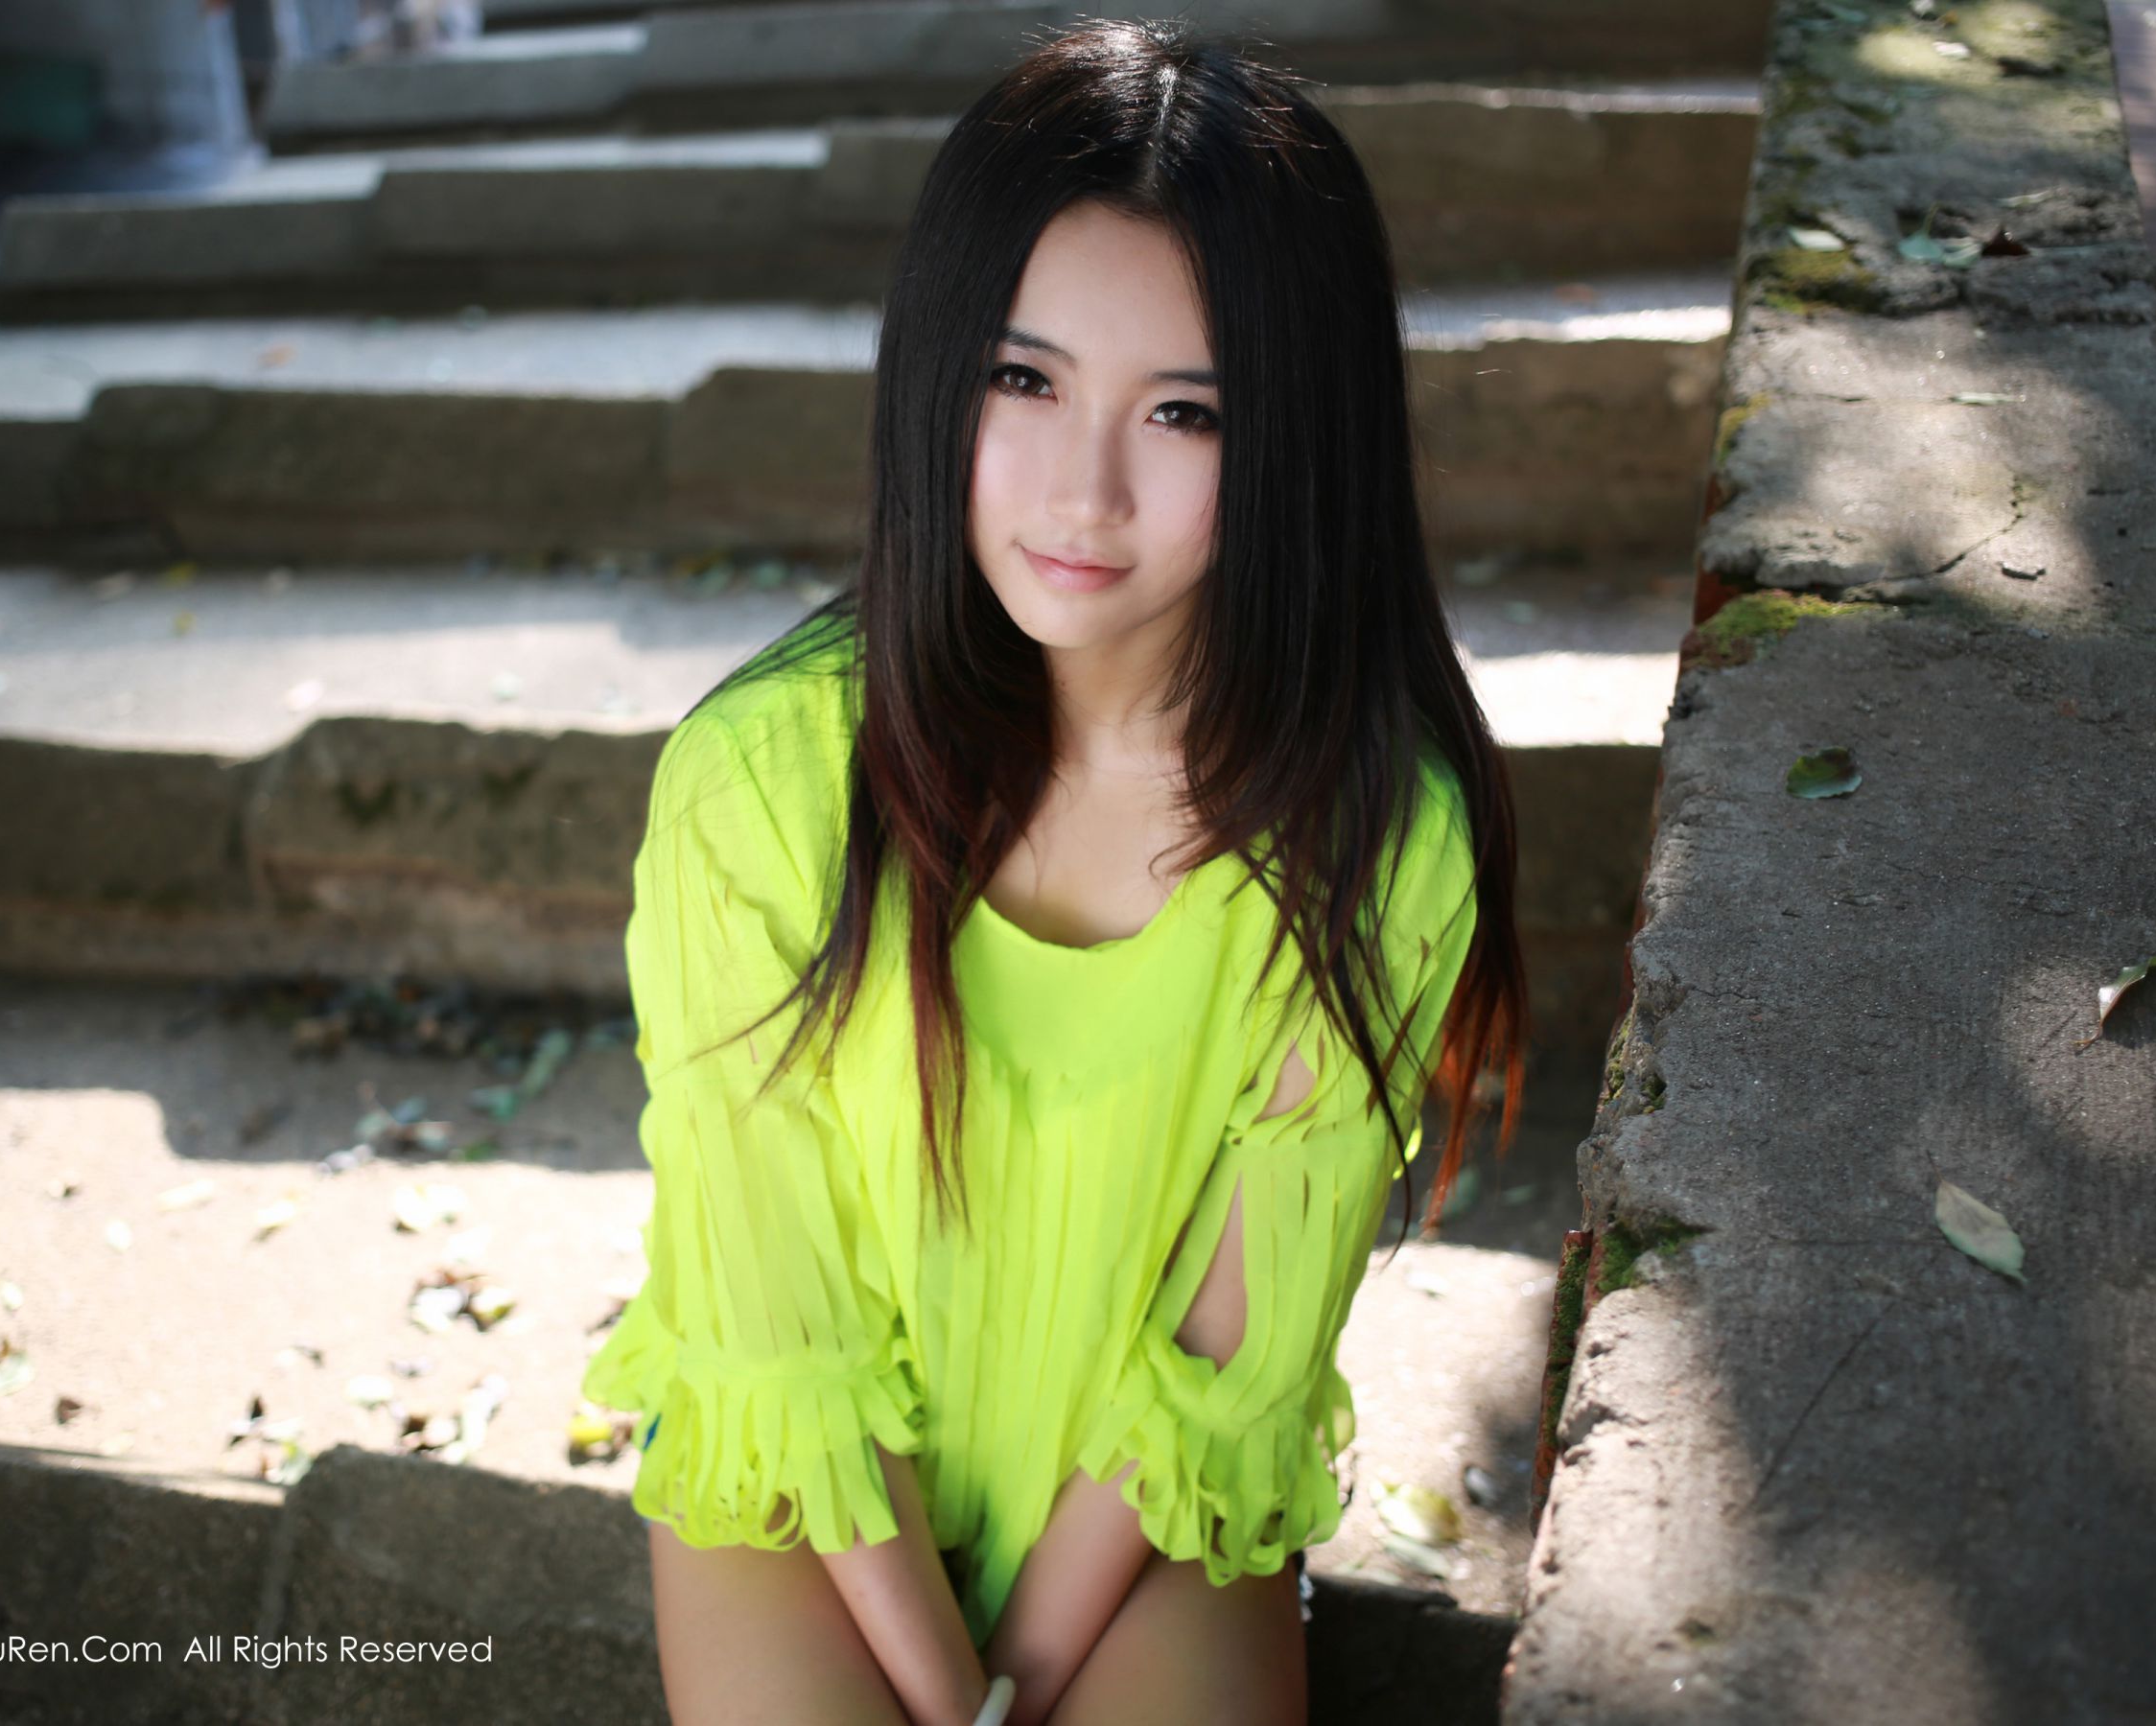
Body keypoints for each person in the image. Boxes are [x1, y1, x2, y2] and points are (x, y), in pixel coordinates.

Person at [579, 17, 1528, 1724]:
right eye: (1024, 382)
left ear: (1295, 439)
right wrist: (944, 1694)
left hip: (1148, 1508)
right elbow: (776, 1305)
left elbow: (1225, 1348)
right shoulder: (762, 782)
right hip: (802, 1483)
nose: (1083, 493)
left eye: (1184, 412)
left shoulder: (1373, 840)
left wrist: (1013, 1676)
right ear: (939, 374)